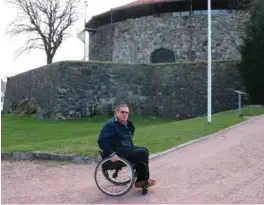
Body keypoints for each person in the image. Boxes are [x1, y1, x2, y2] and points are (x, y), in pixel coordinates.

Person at [98, 103, 156, 188]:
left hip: (126, 148)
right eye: (122, 112)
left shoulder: (127, 124)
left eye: (127, 112)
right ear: (116, 112)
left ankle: (143, 179)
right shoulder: (110, 125)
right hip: (117, 152)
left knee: (144, 150)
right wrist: (111, 153)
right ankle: (142, 180)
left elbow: (131, 132)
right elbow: (101, 141)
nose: (125, 114)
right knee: (142, 153)